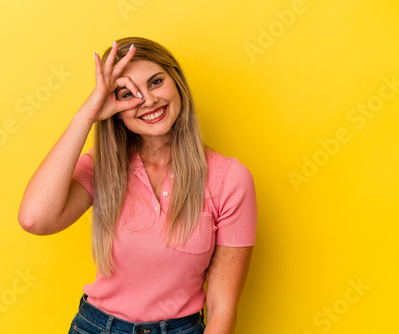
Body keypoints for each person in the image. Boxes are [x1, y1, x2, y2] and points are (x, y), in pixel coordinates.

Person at [18, 37, 257, 334]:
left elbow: (223, 308)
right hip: (96, 327)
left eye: (156, 82)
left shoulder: (230, 178)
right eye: (127, 93)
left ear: (177, 82)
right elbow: (35, 219)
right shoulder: (103, 166)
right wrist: (87, 115)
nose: (148, 100)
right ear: (114, 107)